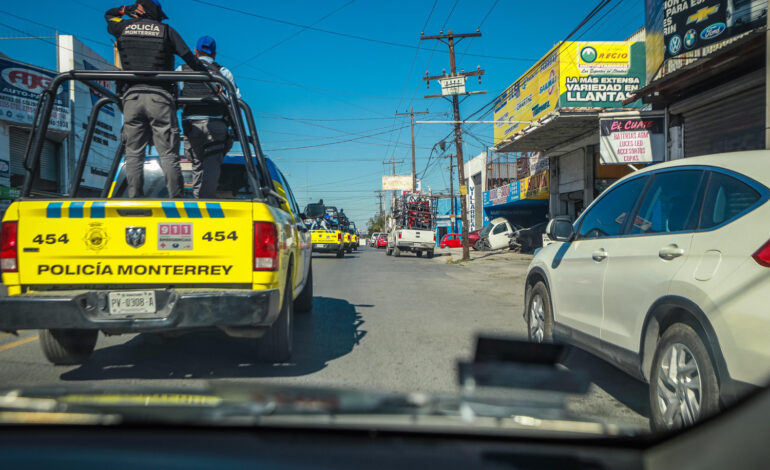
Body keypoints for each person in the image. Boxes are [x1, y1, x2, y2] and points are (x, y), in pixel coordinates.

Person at [105, 0, 206, 198]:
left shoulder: (122, 27)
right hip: (160, 98)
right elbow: (189, 58)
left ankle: (135, 199)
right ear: (157, 13)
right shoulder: (165, 30)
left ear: (138, 10)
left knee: (133, 153)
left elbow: (109, 15)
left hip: (131, 98)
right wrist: (209, 79)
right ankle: (176, 199)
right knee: (168, 154)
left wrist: (124, 10)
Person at [177, 36, 241, 199]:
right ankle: (208, 199)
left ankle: (199, 199)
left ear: (195, 51)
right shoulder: (224, 72)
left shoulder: (181, 70)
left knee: (197, 164)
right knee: (212, 164)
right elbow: (237, 100)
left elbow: (175, 95)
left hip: (192, 126)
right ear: (214, 54)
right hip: (216, 124)